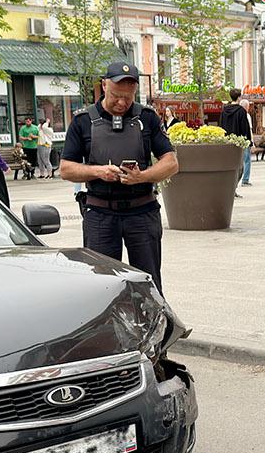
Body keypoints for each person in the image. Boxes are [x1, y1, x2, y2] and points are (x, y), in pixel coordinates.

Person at [60, 61, 178, 292]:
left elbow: (171, 163)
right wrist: (98, 171)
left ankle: (150, 327)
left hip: (142, 213)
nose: (122, 102)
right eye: (116, 95)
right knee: (100, 285)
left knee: (148, 283)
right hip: (100, 214)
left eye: (128, 96)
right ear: (104, 85)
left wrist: (142, 176)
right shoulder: (83, 121)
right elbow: (66, 169)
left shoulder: (148, 117)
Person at [219, 88, 253, 187]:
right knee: (240, 166)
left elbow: (221, 125)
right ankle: (233, 187)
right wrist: (248, 141)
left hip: (227, 141)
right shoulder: (241, 111)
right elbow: (245, 127)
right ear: (239, 97)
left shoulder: (224, 110)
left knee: (230, 165)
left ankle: (230, 187)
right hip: (239, 142)